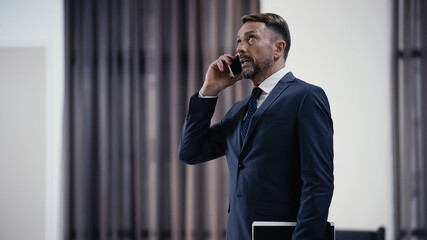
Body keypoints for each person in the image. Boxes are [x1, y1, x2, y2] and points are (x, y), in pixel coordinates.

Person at [178, 13, 334, 240]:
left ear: (278, 48)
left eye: (251, 39)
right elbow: (190, 152)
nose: (240, 48)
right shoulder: (239, 110)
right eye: (239, 41)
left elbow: (318, 184)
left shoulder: (306, 97)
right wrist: (209, 91)